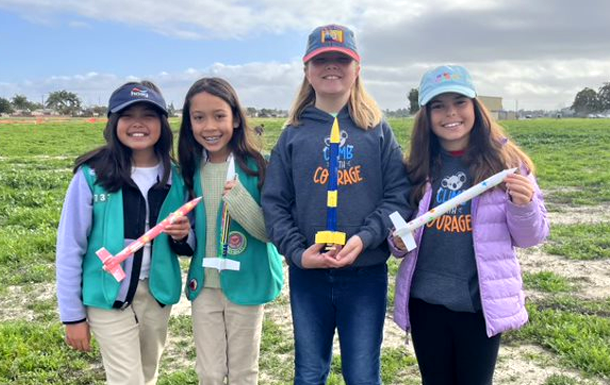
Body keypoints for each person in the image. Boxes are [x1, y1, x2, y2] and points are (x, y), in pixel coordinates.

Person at [261, 24, 411, 385]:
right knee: (310, 372)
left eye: (341, 59)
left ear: (357, 68)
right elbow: (274, 203)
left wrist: (365, 238)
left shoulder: (377, 130)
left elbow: (397, 196)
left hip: (365, 274)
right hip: (308, 276)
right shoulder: (293, 134)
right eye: (321, 60)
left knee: (362, 374)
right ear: (307, 70)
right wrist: (298, 253)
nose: (331, 66)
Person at [390, 65, 550, 385]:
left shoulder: (507, 165)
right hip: (425, 303)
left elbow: (532, 237)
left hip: (479, 306)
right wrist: (396, 242)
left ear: (475, 106)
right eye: (439, 105)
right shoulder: (416, 168)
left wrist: (524, 205)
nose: (451, 113)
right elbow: (402, 234)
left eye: (460, 102)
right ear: (426, 114)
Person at [56, 81, 193, 385]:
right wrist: (72, 315)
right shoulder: (93, 175)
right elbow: (69, 247)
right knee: (127, 380)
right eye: (127, 115)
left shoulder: (176, 176)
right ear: (113, 122)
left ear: (162, 123)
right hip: (107, 296)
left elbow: (190, 240)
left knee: (147, 375)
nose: (138, 124)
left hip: (157, 295)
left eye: (149, 115)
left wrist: (183, 235)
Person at [177, 77, 283, 385]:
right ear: (189, 123)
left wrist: (239, 200)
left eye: (219, 116)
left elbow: (270, 232)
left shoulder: (260, 167)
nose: (209, 126)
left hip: (247, 282)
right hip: (205, 285)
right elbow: (193, 230)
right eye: (199, 118)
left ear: (236, 118)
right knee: (208, 373)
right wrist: (182, 235)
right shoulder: (189, 170)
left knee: (242, 372)